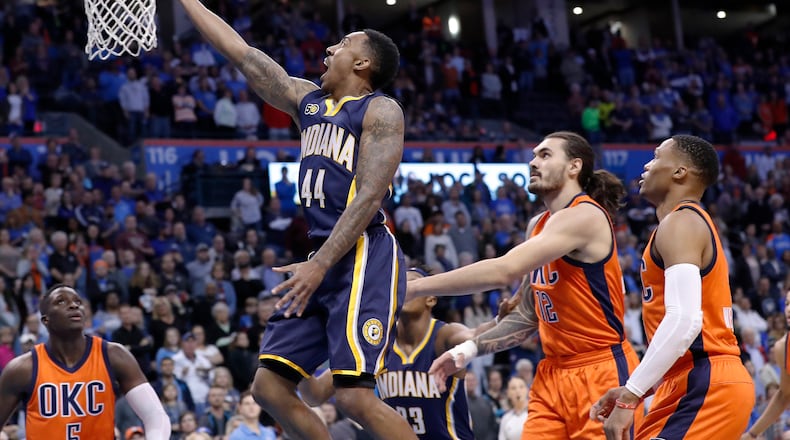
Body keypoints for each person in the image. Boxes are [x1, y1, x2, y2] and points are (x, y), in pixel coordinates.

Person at [177, 2, 410, 439]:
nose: (329, 49)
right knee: (268, 388)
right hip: (321, 256)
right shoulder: (308, 101)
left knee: (353, 397)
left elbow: (369, 197)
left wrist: (319, 265)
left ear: (362, 63)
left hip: (363, 254)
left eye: (342, 44)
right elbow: (243, 54)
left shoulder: (380, 111)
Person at [408, 131, 640, 438]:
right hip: (551, 372)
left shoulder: (585, 215)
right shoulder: (538, 226)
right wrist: (466, 351)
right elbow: (528, 315)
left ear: (574, 166)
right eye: (533, 155)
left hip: (600, 369)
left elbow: (504, 270)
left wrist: (415, 287)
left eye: (545, 155)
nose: (533, 162)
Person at [591, 135, 754, 439]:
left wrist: (630, 395)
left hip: (705, 382)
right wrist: (637, 388)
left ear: (680, 172)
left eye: (656, 157)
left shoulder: (682, 223)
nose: (647, 165)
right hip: (689, 381)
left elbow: (685, 321)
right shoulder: (682, 224)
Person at [299, 268, 506, 439]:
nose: (403, 289)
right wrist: (297, 355)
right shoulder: (376, 342)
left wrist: (501, 321)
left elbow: (474, 334)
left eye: (412, 283)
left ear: (431, 299)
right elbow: (315, 395)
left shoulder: (443, 336)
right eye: (398, 284)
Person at [0, 285, 170, 439]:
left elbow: (155, 415)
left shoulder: (114, 355)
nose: (74, 306)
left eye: (78, 302)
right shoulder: (22, 368)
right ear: (46, 320)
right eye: (61, 301)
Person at [741, 290, 790, 439]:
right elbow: (783, 395)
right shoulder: (782, 347)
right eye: (787, 303)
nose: (788, 309)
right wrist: (752, 433)